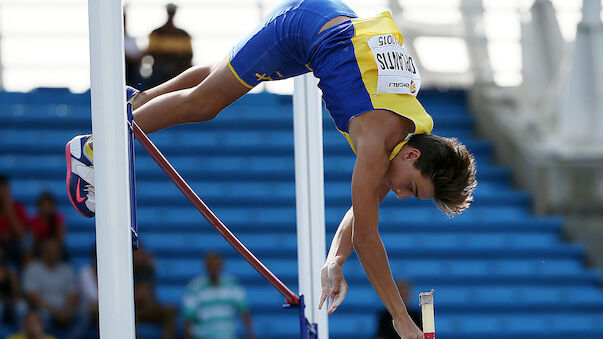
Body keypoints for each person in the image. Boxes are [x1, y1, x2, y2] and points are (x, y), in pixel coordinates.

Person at [65, 1, 477, 337]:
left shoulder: (411, 133)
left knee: (224, 76)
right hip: (302, 29)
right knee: (207, 103)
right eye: (413, 189)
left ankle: (136, 102)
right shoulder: (376, 143)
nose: (401, 194)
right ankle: (96, 147)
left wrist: (334, 260)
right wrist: (401, 320)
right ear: (412, 158)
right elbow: (367, 233)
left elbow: (361, 214)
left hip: (324, 25)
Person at [22, 238, 86, 339]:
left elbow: (73, 294)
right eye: (48, 251)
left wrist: (67, 311)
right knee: (40, 317)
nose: (51, 253)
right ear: (42, 252)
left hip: (65, 310)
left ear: (59, 252)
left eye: (54, 250)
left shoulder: (67, 269)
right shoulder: (33, 268)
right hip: (44, 309)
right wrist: (54, 311)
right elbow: (31, 295)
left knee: (83, 316)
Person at [182, 253, 254, 339]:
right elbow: (188, 318)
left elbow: (244, 310)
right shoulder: (195, 287)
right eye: (211, 265)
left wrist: (250, 334)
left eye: (216, 264)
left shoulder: (232, 284)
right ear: (205, 266)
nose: (214, 268)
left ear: (222, 266)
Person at [132, 245, 177, 339]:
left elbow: (147, 291)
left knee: (170, 310)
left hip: (149, 307)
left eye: (140, 253)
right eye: (135, 254)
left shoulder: (147, 270)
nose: (137, 257)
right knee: (130, 316)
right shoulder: (126, 271)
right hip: (134, 309)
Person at [146, 3, 193, 86]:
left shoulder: (184, 34)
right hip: (160, 67)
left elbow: (189, 55)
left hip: (179, 66)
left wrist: (176, 66)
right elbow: (152, 53)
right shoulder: (156, 33)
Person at [0, 175, 29, 268]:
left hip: (14, 245)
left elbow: (21, 234)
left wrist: (9, 211)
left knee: (27, 245)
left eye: (3, 190)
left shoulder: (17, 208)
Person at [28, 192, 67, 259]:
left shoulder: (58, 219)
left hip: (55, 247)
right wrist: (46, 246)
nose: (46, 209)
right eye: (44, 206)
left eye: (49, 206)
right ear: (40, 207)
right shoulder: (35, 221)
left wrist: (52, 245)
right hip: (40, 249)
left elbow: (61, 239)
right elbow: (35, 240)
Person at [0, 248, 26, 329]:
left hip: (9, 300)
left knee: (21, 307)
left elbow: (16, 294)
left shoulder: (10, 269)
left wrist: (15, 300)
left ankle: (21, 332)